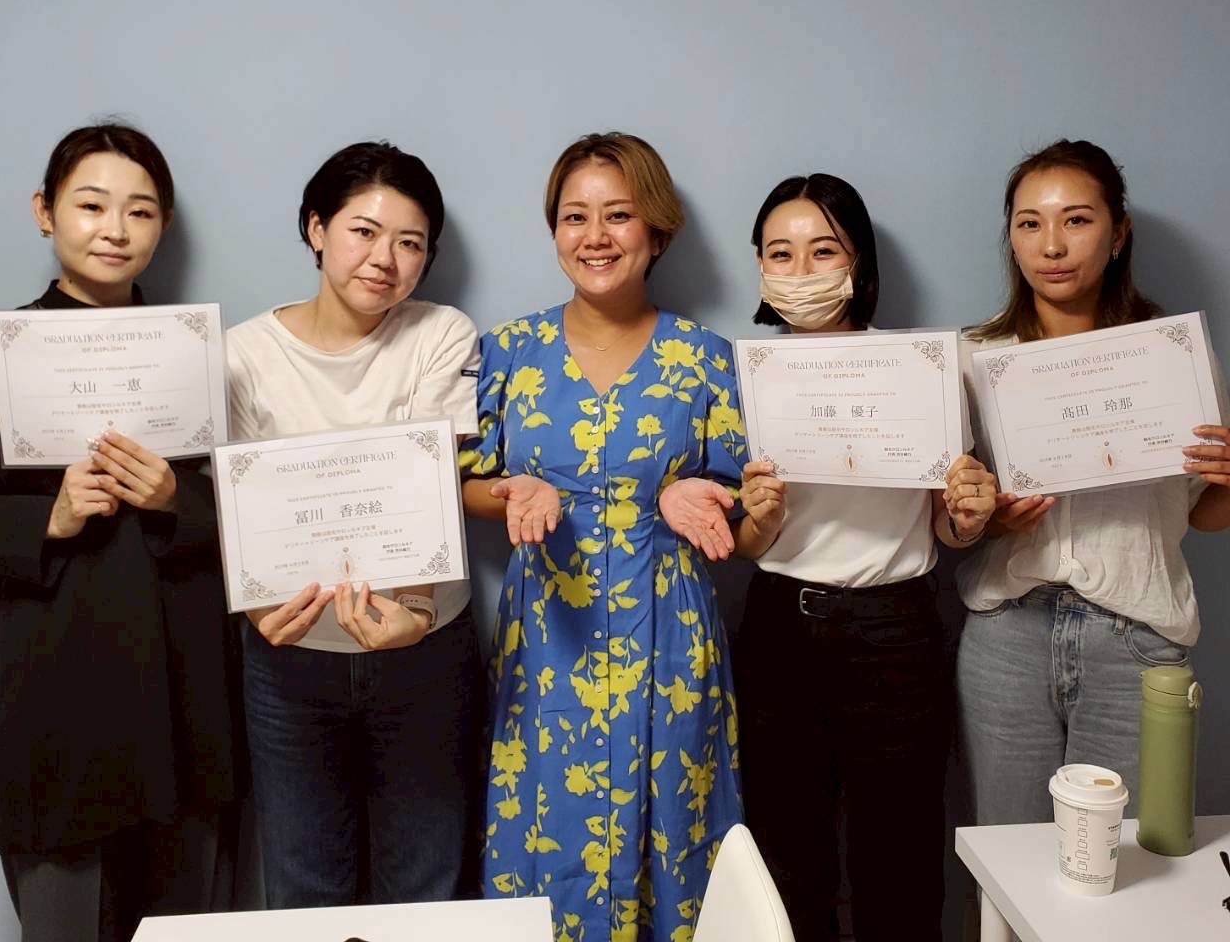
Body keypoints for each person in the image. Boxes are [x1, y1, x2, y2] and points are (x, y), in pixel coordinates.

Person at [0, 123, 242, 942]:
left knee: (189, 926)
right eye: (91, 205)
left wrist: (175, 497)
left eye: (140, 211)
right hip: (61, 689)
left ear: (163, 227)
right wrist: (50, 514)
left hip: (187, 690)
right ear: (44, 211)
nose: (115, 229)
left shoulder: (195, 349)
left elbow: (254, 511)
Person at [460, 132, 746, 942]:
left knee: (676, 829)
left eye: (618, 215)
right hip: (550, 633)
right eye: (574, 217)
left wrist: (691, 495)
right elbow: (466, 480)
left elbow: (743, 495)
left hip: (671, 634)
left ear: (655, 228)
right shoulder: (506, 351)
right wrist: (515, 492)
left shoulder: (705, 358)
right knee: (549, 824)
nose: (595, 236)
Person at [733, 173, 995, 942]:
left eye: (823, 250)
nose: (801, 270)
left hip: (895, 630)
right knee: (788, 859)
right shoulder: (742, 377)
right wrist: (759, 520)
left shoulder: (925, 368)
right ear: (759, 266)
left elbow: (949, 526)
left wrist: (968, 517)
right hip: (780, 626)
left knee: (900, 859)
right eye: (780, 253)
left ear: (858, 261)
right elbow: (744, 542)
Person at [226, 140, 482, 908]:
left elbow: (432, 484)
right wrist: (256, 604)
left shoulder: (443, 334)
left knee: (426, 886)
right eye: (364, 232)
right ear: (316, 228)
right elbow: (236, 509)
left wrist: (419, 608)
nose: (385, 259)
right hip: (292, 658)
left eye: (410, 243)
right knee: (303, 888)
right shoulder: (241, 355)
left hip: (425, 650)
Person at [956, 139, 1230, 824]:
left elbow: (1203, 511)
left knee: (1125, 858)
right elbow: (952, 520)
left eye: (1076, 220)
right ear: (1012, 237)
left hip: (1137, 636)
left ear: (1119, 233)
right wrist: (990, 519)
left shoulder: (1175, 355)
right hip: (1008, 634)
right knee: (1008, 851)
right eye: (1029, 223)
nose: (1051, 245)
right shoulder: (973, 358)